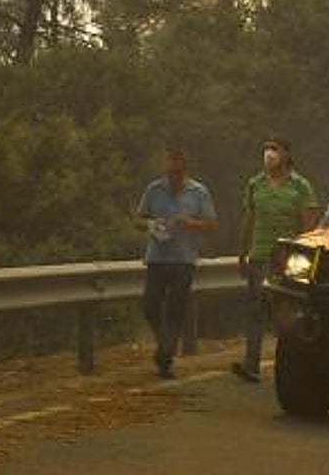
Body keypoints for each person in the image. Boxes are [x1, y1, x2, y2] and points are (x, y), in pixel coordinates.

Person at [232, 136, 318, 383]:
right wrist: (242, 252)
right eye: (266, 149)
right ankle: (252, 364)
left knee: (287, 315)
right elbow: (248, 219)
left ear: (287, 155)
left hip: (286, 260)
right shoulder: (255, 184)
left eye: (275, 149)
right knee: (255, 310)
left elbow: (309, 223)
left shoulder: (300, 186)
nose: (269, 154)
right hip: (260, 255)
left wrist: (303, 257)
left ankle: (292, 365)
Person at [134, 147, 218, 378]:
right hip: (157, 257)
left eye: (176, 173)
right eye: (169, 172)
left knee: (175, 308)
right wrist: (152, 225)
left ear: (183, 171)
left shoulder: (198, 192)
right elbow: (138, 218)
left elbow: (211, 224)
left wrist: (190, 223)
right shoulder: (154, 189)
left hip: (183, 259)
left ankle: (166, 356)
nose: (172, 177)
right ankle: (165, 344)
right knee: (150, 304)